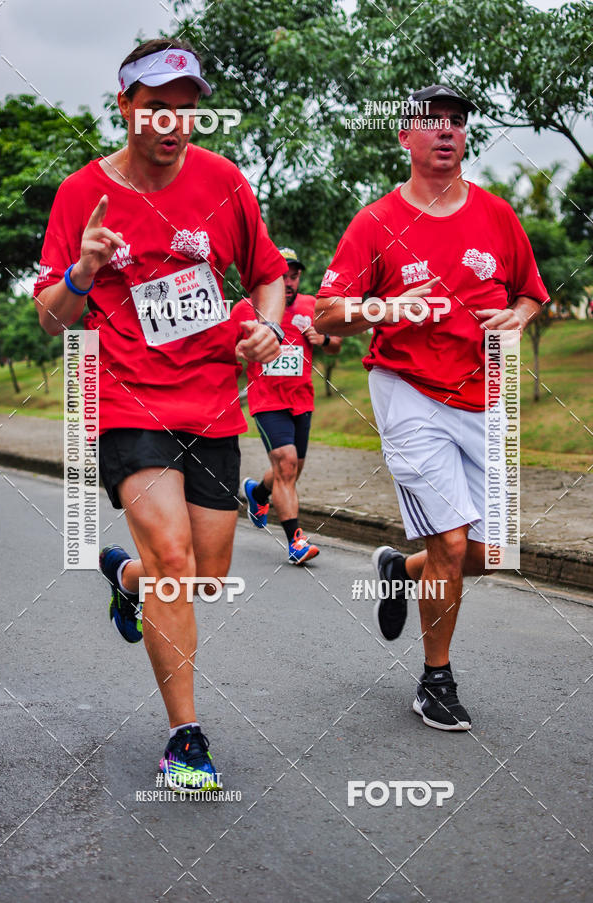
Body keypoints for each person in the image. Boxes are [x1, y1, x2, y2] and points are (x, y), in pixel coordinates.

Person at [35, 38, 288, 788]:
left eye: (185, 110)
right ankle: (186, 735)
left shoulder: (224, 182)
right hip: (126, 399)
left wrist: (269, 326)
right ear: (126, 108)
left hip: (211, 402)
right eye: (155, 109)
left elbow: (269, 276)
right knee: (177, 558)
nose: (173, 124)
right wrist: (82, 271)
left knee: (204, 575)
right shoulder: (83, 193)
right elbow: (53, 318)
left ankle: (128, 577)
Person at [315, 85, 548, 731]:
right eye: (431, 121)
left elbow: (531, 293)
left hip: (486, 395)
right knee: (450, 537)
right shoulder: (375, 222)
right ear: (405, 137)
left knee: (486, 553)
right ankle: (435, 679)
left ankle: (401, 568)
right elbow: (330, 312)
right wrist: (387, 306)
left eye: (457, 122)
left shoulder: (498, 216)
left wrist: (518, 316)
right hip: (410, 389)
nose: (446, 131)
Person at [232, 248, 341, 563]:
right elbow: (227, 355)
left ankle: (258, 492)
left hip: (301, 399)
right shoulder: (245, 310)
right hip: (266, 400)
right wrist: (241, 352)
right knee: (286, 463)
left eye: (293, 276)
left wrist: (323, 340)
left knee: (291, 470)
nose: (289, 282)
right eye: (282, 276)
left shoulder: (312, 306)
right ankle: (296, 541)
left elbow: (336, 345)